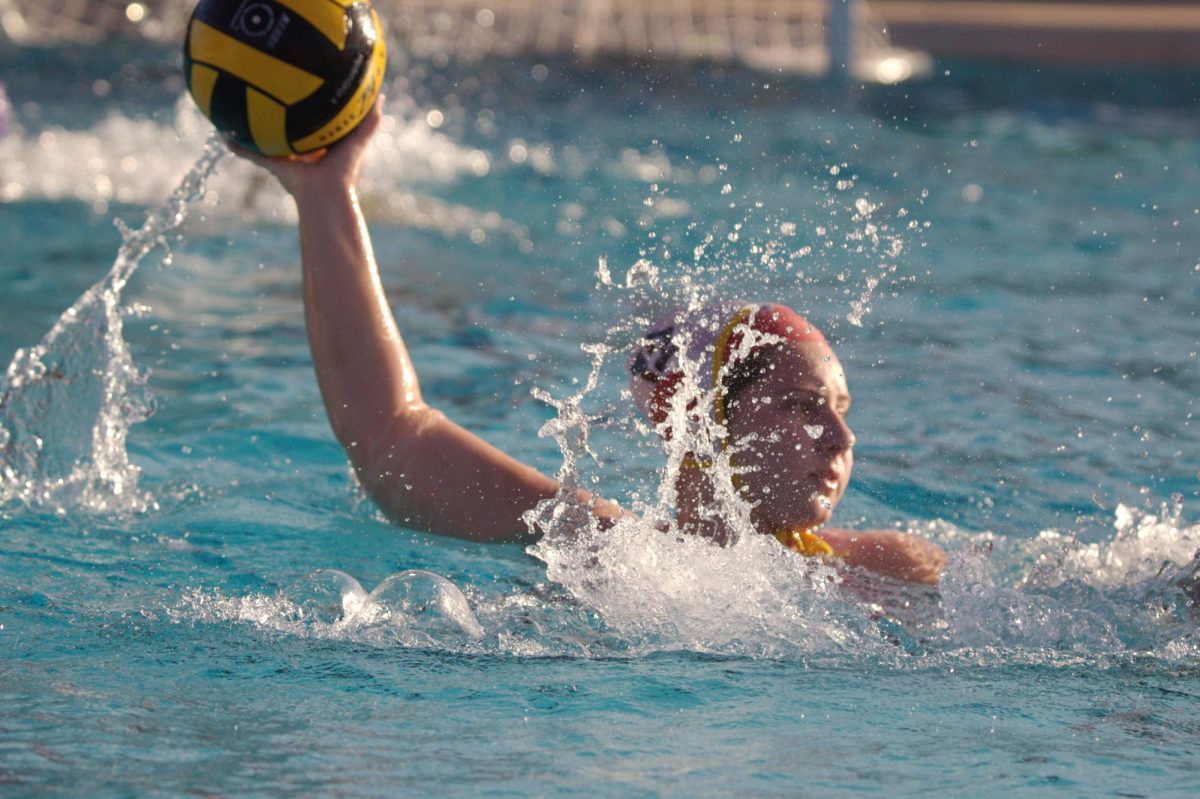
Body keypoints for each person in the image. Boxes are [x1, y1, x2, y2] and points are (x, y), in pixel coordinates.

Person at [232, 99, 947, 586]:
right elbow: (393, 436)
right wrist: (326, 193)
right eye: (801, 405)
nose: (842, 436)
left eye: (843, 407)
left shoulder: (890, 566)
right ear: (698, 421)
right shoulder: (611, 552)